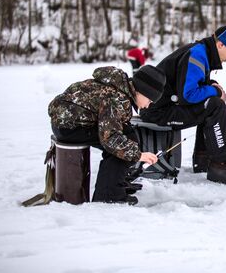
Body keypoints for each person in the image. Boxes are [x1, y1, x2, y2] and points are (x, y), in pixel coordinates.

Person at [140, 24, 226, 185]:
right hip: (158, 112)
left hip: (164, 107)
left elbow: (191, 84)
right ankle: (220, 163)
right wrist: (215, 91)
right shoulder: (197, 55)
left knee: (209, 104)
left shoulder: (202, 51)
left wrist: (212, 85)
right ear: (220, 44)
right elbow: (188, 95)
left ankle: (203, 159)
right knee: (215, 105)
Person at [48, 65, 166, 205]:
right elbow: (111, 138)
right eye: (150, 101)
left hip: (67, 123)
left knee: (127, 135)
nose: (148, 106)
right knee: (122, 145)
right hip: (69, 127)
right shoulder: (117, 98)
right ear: (143, 91)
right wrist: (139, 155)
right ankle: (109, 196)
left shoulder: (119, 87)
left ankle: (116, 183)